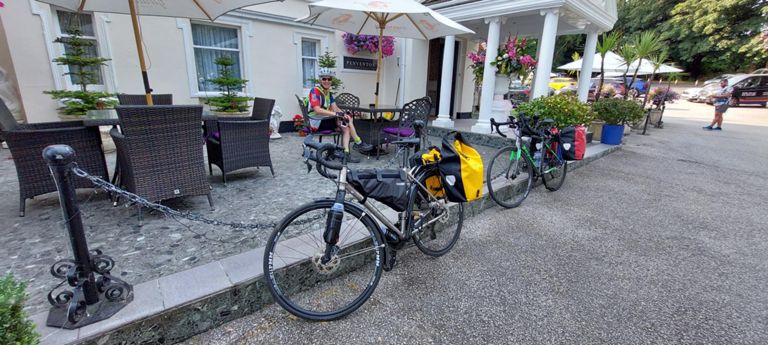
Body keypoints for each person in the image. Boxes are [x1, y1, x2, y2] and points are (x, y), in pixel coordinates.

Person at [307, 67, 372, 162]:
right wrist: (337, 114)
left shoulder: (328, 93)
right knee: (345, 120)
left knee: (346, 127)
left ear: (331, 80)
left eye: (329, 79)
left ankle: (345, 154)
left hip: (325, 120)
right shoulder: (315, 91)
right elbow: (317, 110)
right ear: (320, 80)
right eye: (324, 79)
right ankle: (358, 142)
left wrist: (344, 113)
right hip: (316, 122)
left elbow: (335, 108)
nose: (327, 81)